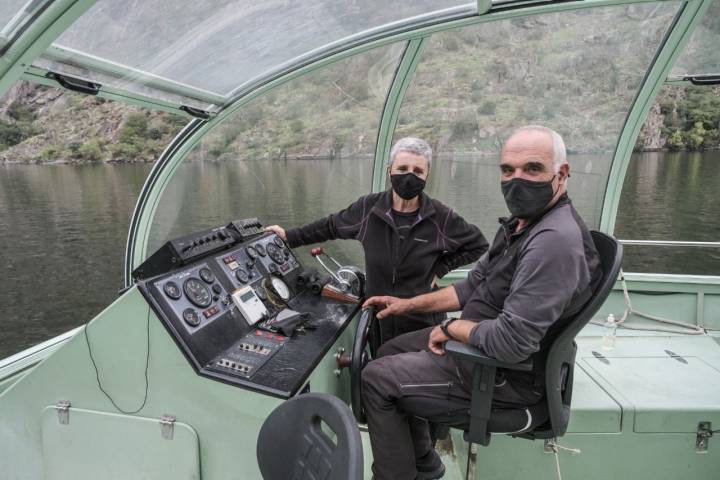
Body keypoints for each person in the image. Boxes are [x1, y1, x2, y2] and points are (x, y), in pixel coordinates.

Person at [361, 126, 602, 480]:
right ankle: (426, 465)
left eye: (532, 169)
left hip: (503, 377)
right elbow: (471, 287)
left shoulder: (553, 242)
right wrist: (406, 305)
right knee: (388, 350)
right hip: (479, 350)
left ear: (561, 174)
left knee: (375, 378)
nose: (516, 180)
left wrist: (450, 327)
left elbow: (512, 342)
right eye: (508, 170)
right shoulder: (523, 225)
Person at [266, 137, 488, 343]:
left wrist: (439, 268)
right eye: (402, 168)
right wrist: (289, 237)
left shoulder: (441, 217)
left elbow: (477, 244)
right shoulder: (369, 208)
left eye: (418, 171)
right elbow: (330, 226)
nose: (409, 176)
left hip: (422, 323)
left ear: (426, 175)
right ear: (389, 170)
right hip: (378, 321)